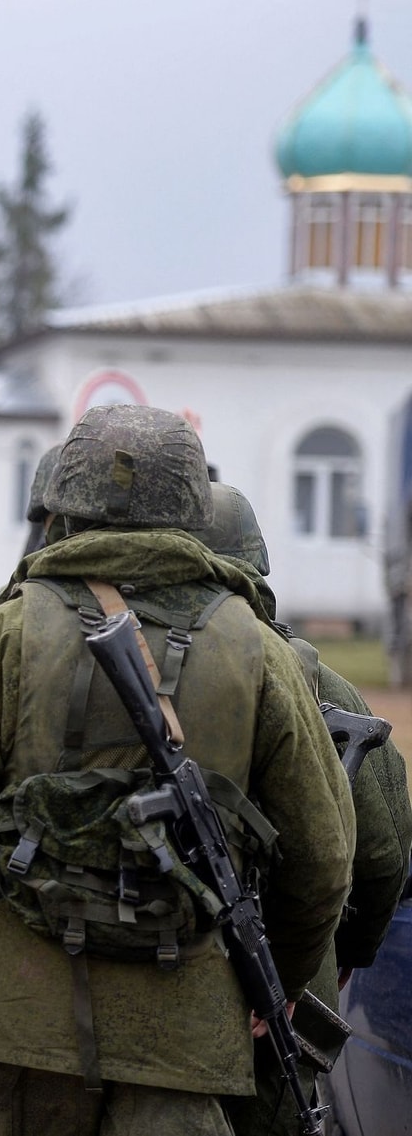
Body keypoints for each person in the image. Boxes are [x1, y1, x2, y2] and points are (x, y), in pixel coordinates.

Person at [0, 404, 355, 1136]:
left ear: (67, 499)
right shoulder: (257, 649)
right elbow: (325, 856)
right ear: (189, 504)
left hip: (22, 1030)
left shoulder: (2, 636)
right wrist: (279, 978)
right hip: (183, 1039)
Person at [193, 482, 412, 1136]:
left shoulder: (119, 661)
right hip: (283, 980)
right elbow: (381, 856)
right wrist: (344, 951)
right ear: (255, 563)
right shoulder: (317, 681)